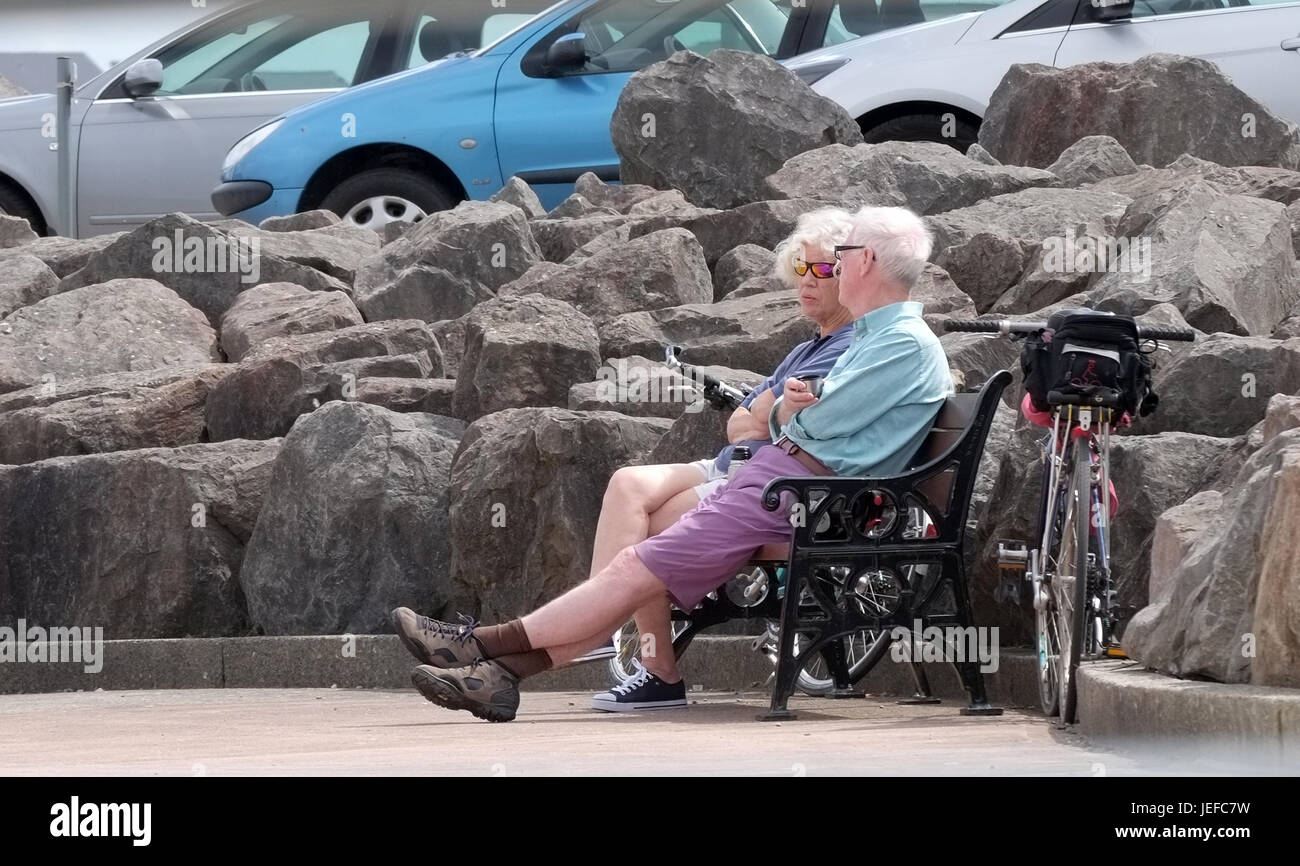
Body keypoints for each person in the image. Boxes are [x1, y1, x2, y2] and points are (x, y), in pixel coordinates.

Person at [392, 205, 953, 723]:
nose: (827, 269)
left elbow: (815, 422)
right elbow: (783, 417)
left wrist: (786, 413)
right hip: (787, 484)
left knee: (631, 569)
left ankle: (479, 644)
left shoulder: (899, 342)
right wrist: (788, 411)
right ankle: (502, 675)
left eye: (843, 255)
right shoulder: (878, 337)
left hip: (804, 495)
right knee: (633, 566)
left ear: (868, 262)